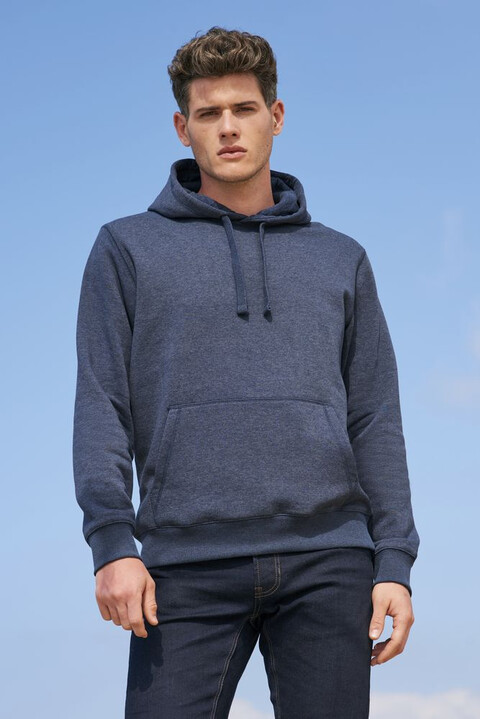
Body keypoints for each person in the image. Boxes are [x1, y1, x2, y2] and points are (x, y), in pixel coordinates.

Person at [72, 26, 420, 719]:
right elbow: (102, 403)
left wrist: (394, 562)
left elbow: (375, 417)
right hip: (184, 567)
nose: (228, 127)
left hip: (329, 561)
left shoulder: (341, 258)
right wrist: (111, 544)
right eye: (208, 113)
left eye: (244, 108)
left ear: (276, 116)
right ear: (183, 128)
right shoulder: (126, 249)